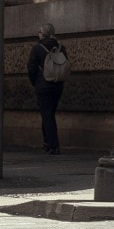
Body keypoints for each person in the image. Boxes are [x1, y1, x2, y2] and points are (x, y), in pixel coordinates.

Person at [26, 23, 66, 154]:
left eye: (39, 32)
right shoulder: (61, 47)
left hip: (43, 86)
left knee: (47, 114)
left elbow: (31, 68)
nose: (38, 34)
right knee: (49, 113)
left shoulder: (37, 48)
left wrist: (35, 82)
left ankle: (53, 145)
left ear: (43, 34)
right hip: (58, 85)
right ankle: (47, 142)